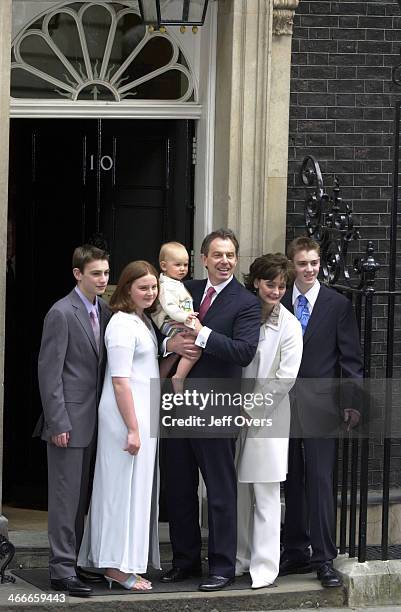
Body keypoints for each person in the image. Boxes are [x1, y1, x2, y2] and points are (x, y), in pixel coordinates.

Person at [161, 228, 261, 592]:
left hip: (217, 406)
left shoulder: (245, 302)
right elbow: (162, 325)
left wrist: (203, 335)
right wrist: (170, 342)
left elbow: (244, 352)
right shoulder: (184, 289)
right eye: (217, 254)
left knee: (219, 490)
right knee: (178, 485)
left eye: (230, 255)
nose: (224, 261)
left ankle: (221, 566)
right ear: (203, 258)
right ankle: (185, 562)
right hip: (177, 406)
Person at [280, 236, 363, 588]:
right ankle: (294, 548)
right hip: (283, 403)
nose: (309, 269)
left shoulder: (337, 304)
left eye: (314, 263)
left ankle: (323, 556)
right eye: (302, 263)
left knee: (320, 479)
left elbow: (351, 358)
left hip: (322, 404)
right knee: (290, 478)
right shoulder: (279, 298)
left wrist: (351, 401)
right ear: (292, 265)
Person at [78, 261, 161, 591]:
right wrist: (132, 428)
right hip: (126, 417)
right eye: (143, 287)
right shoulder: (122, 324)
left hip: (141, 415)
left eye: (154, 287)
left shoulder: (142, 321)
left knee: (134, 491)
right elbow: (121, 381)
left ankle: (125, 561)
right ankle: (114, 566)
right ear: (127, 289)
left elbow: (148, 367)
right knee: (119, 491)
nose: (150, 292)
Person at [35, 244, 111, 597]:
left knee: (83, 498)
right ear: (77, 274)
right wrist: (57, 423)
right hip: (68, 421)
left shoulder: (107, 311)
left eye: (106, 273)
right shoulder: (61, 313)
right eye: (96, 273)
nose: (102, 279)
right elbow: (49, 373)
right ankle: (61, 568)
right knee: (65, 498)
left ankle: (78, 562)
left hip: (99, 421)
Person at [236, 253, 303, 589]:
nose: (275, 291)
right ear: (256, 282)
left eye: (281, 286)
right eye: (270, 284)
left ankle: (264, 568)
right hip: (231, 413)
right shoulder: (244, 315)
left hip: (267, 418)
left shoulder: (289, 325)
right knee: (237, 490)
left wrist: (249, 411)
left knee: (265, 492)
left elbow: (284, 379)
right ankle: (240, 559)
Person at [152, 241, 200, 393]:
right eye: (178, 265)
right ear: (164, 266)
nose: (182, 269)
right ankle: (178, 377)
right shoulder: (166, 285)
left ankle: (169, 379)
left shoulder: (176, 283)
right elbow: (170, 307)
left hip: (178, 320)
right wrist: (185, 317)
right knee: (194, 345)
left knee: (188, 347)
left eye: (185, 265)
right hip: (170, 322)